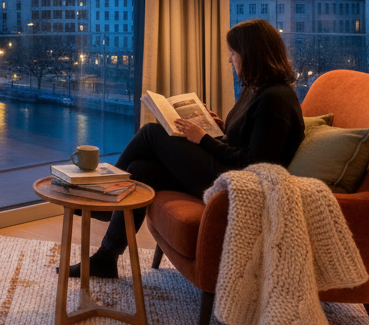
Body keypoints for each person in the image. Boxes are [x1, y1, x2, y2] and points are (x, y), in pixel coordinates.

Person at [68, 18, 306, 279]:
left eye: (234, 53)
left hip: (237, 183)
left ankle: (103, 196)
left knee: (151, 133)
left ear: (251, 54)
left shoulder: (276, 99)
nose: (230, 60)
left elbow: (253, 163)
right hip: (226, 169)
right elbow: (244, 139)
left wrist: (203, 138)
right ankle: (106, 258)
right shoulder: (255, 89)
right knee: (139, 170)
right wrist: (218, 128)